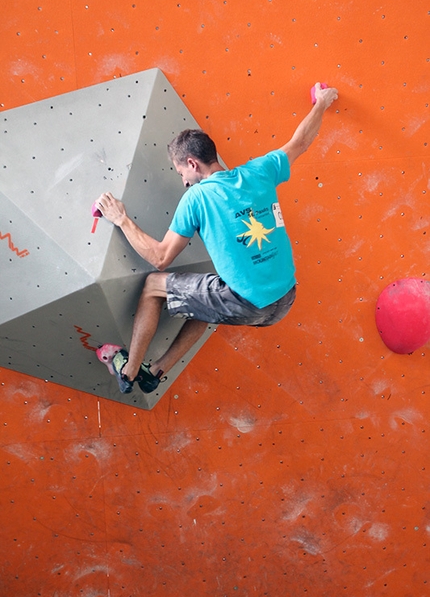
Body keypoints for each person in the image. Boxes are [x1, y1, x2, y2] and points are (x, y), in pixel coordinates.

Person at [95, 82, 338, 394]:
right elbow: (301, 141)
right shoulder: (260, 171)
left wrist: (122, 219)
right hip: (285, 298)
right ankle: (155, 371)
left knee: (153, 285)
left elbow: (160, 257)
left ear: (193, 164)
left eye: (181, 172)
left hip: (248, 304)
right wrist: (321, 103)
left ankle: (127, 372)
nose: (183, 181)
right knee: (210, 295)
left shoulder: (197, 198)